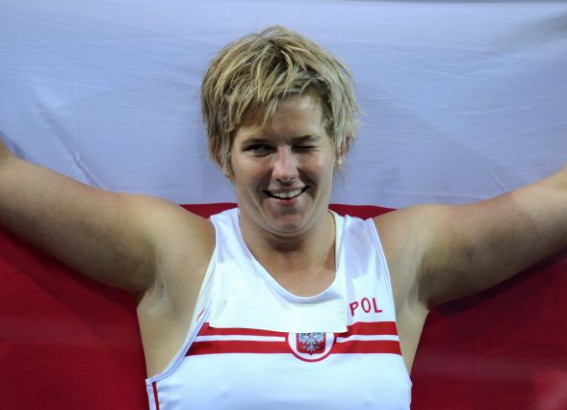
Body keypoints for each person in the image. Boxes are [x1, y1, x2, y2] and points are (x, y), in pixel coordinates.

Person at [0, 25, 566, 409]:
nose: (285, 171)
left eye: (304, 144)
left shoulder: (399, 258)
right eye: (260, 148)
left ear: (341, 147)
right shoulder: (176, 255)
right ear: (222, 154)